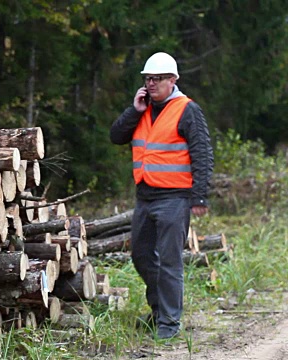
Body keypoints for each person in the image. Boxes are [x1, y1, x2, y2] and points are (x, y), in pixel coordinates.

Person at [110, 52, 214, 340]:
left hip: (174, 198)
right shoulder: (142, 109)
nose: (151, 83)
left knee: (169, 262)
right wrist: (133, 110)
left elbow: (202, 153)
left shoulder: (187, 110)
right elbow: (116, 136)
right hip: (145, 197)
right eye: (147, 79)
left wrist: (200, 196)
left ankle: (168, 324)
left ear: (173, 80)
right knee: (142, 256)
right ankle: (159, 313)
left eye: (157, 79)